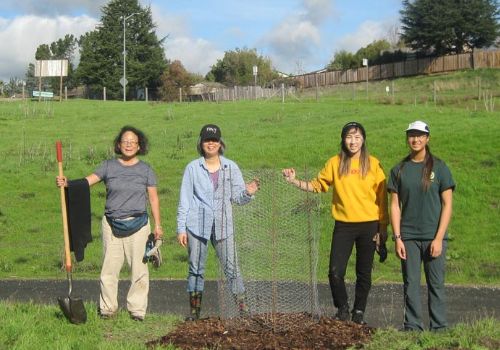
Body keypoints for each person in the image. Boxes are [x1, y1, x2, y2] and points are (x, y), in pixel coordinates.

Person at [282, 121, 388, 325]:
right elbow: (317, 185)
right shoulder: (335, 163)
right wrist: (294, 181)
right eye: (349, 137)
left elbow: (382, 198)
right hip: (344, 225)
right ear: (343, 139)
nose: (353, 141)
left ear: (363, 139)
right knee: (335, 272)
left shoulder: (373, 164)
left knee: (363, 273)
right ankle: (343, 309)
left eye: (357, 137)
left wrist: (383, 228)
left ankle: (358, 313)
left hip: (369, 225)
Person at [56, 125, 162, 321]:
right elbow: (87, 182)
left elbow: (154, 199)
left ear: (139, 146)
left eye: (133, 142)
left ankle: (137, 311)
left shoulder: (146, 170)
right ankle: (107, 310)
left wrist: (158, 226)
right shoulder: (108, 166)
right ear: (119, 145)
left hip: (139, 225)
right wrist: (67, 183)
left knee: (139, 271)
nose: (129, 144)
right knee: (109, 270)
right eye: (125, 141)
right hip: (111, 225)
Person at [176, 124, 259, 321]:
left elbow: (238, 198)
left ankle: (243, 310)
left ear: (220, 143)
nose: (210, 143)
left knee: (232, 268)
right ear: (201, 143)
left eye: (214, 140)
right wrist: (181, 228)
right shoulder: (192, 168)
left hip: (224, 227)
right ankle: (194, 314)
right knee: (196, 269)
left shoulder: (231, 167)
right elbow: (185, 200)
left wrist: (248, 192)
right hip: (197, 227)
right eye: (207, 140)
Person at [388, 120, 455, 332]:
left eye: (419, 135)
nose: (415, 139)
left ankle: (439, 328)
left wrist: (438, 238)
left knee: (436, 285)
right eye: (411, 135)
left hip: (433, 236)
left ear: (427, 138)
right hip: (408, 237)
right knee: (411, 284)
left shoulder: (440, 168)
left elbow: (447, 204)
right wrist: (397, 238)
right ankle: (413, 327)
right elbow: (394, 206)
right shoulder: (398, 169)